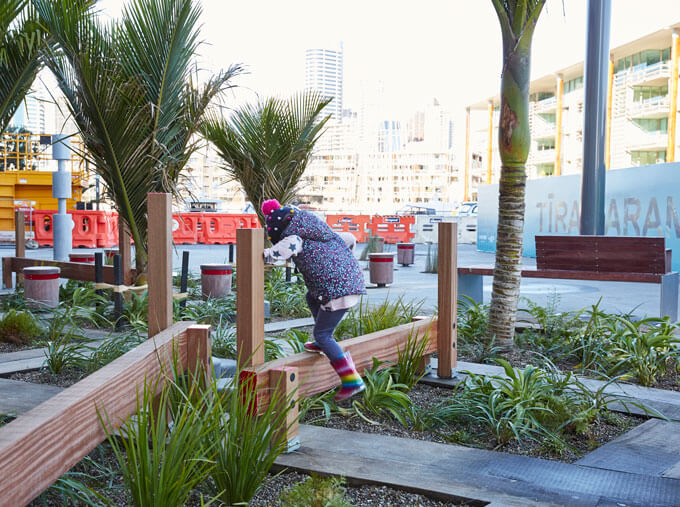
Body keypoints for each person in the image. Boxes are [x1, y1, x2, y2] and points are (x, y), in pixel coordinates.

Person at [262, 199, 366, 401]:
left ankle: (351, 380)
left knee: (323, 333)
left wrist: (265, 254)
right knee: (310, 297)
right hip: (349, 284)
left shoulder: (295, 238)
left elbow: (282, 251)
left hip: (336, 292)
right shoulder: (324, 234)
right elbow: (350, 238)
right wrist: (341, 266)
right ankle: (323, 344)